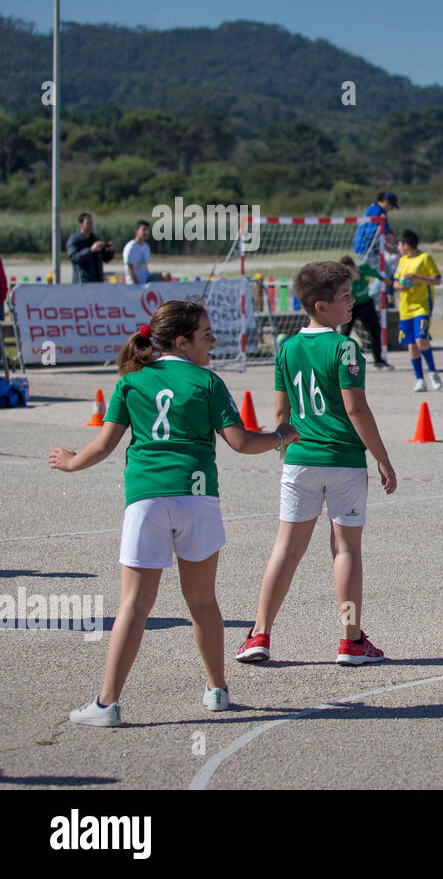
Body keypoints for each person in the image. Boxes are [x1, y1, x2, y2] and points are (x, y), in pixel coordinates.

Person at [49, 301, 297, 726]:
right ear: (182, 342)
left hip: (147, 498)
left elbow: (104, 446)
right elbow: (239, 442)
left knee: (133, 604)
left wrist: (71, 461)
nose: (213, 340)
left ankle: (107, 705)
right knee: (202, 600)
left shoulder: (132, 381)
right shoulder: (207, 382)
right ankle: (217, 689)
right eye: (205, 333)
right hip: (197, 498)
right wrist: (279, 436)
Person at [236, 262, 397, 666]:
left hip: (299, 460)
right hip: (342, 460)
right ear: (322, 306)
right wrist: (382, 457)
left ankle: (259, 634)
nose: (352, 301)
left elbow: (280, 413)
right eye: (345, 296)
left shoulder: (287, 348)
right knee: (346, 550)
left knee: (286, 549)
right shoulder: (344, 348)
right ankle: (350, 640)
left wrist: (286, 450)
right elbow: (356, 408)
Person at [395, 230, 442, 391]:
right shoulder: (402, 261)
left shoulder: (425, 258)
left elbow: (437, 280)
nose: (398, 248)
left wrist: (417, 278)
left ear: (406, 245)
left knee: (420, 340)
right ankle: (419, 379)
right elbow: (395, 282)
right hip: (405, 308)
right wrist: (400, 286)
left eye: (399, 244)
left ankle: (433, 373)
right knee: (411, 345)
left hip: (422, 307)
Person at [339, 255, 391, 369]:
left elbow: (375, 274)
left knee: (375, 331)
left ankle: (378, 360)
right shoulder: (346, 282)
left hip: (366, 304)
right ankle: (340, 361)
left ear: (354, 267)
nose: (347, 275)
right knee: (344, 333)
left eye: (348, 271)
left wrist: (385, 280)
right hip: (352, 307)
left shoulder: (364, 269)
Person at [353, 191, 398, 271]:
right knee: (385, 274)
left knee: (379, 274)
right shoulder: (377, 211)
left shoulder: (375, 209)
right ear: (386, 202)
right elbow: (372, 233)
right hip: (366, 249)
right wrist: (385, 246)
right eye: (392, 207)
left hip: (366, 248)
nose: (392, 210)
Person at [66, 213, 115, 284]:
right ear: (80, 224)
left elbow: (105, 259)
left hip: (97, 282)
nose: (91, 226)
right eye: (88, 223)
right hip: (82, 283)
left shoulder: (95, 239)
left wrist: (110, 251)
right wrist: (90, 250)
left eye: (92, 223)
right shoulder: (74, 240)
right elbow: (74, 258)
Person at [121, 220, 172, 285]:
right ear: (136, 231)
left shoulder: (146, 247)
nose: (146, 232)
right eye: (144, 230)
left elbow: (145, 266)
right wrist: (138, 285)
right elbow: (130, 270)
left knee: (166, 276)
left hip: (146, 279)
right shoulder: (131, 247)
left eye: (148, 230)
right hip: (134, 282)